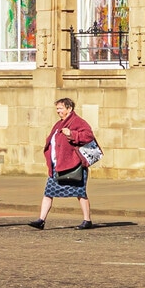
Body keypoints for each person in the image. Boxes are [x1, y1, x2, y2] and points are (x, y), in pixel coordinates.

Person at [33, 97, 97, 230]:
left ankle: (87, 220)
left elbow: (88, 135)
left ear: (69, 108)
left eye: (60, 108)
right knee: (48, 192)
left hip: (73, 166)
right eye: (57, 109)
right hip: (57, 166)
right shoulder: (59, 124)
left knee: (80, 193)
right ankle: (41, 220)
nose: (58, 111)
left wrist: (72, 134)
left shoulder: (78, 122)